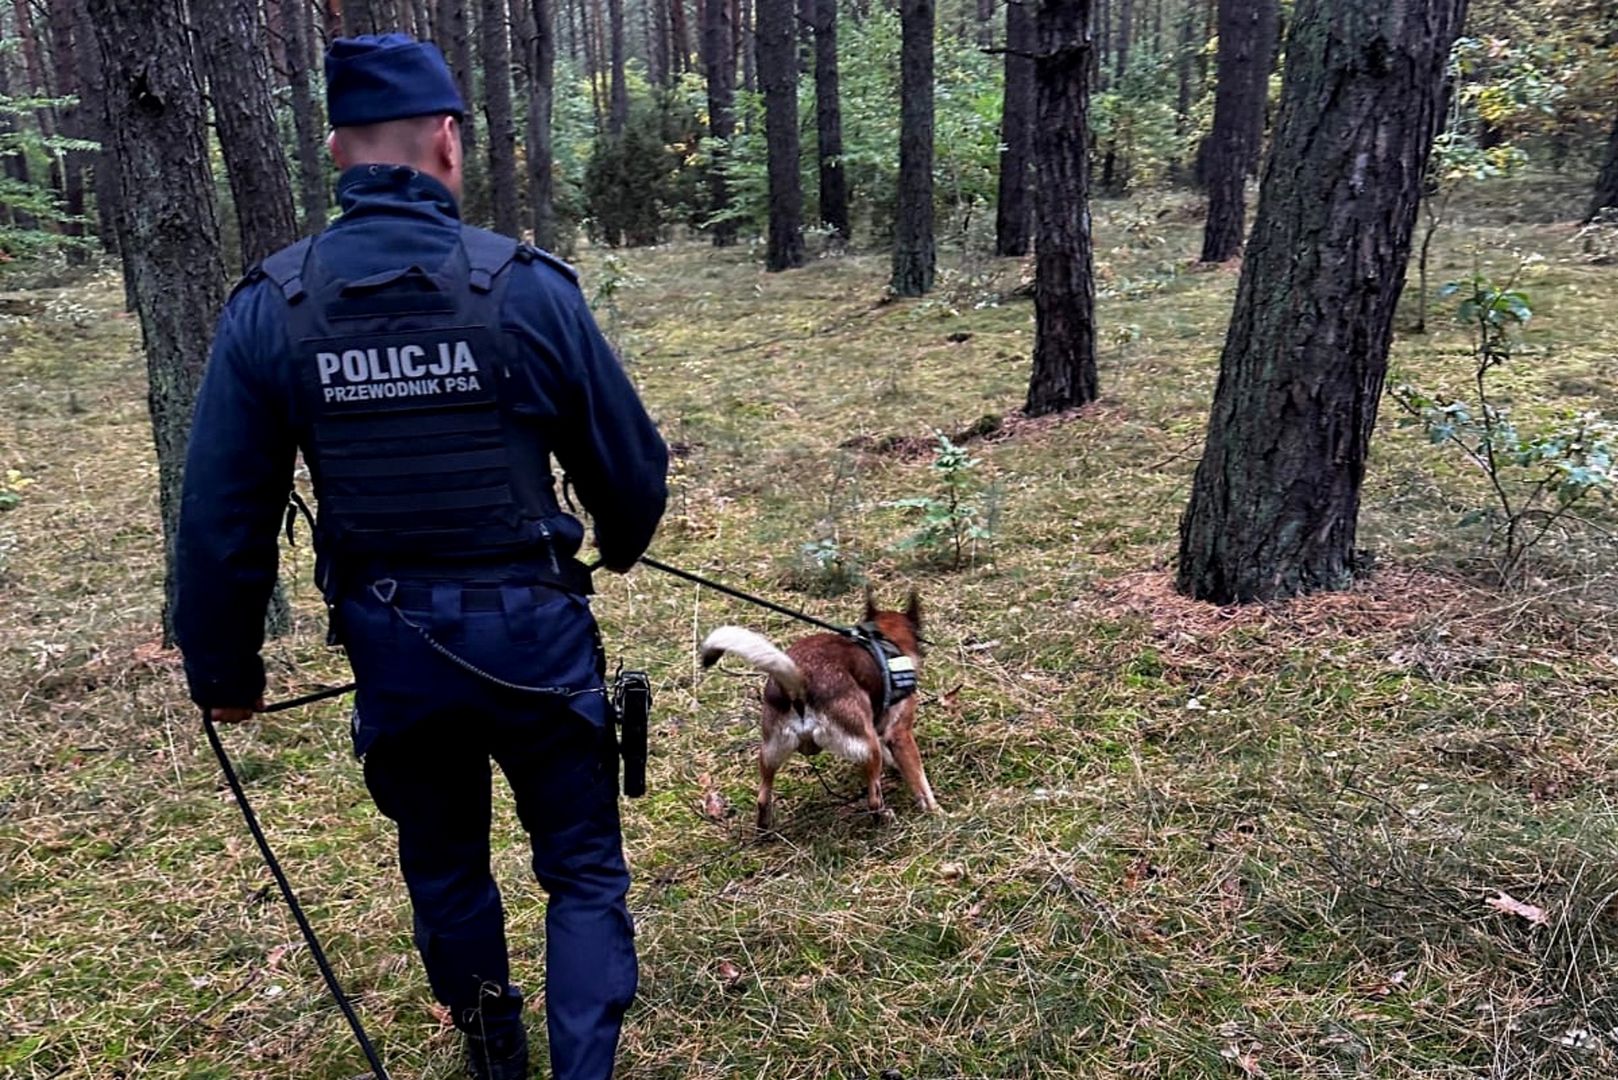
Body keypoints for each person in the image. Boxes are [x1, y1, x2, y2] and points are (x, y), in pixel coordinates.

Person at [173, 33, 668, 1080]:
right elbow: (630, 471)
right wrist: (618, 546)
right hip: (534, 634)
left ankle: (495, 1055)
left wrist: (224, 675)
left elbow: (222, 515)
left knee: (444, 862)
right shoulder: (525, 289)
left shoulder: (275, 306)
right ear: (446, 139)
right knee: (580, 869)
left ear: (339, 151)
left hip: (396, 646)